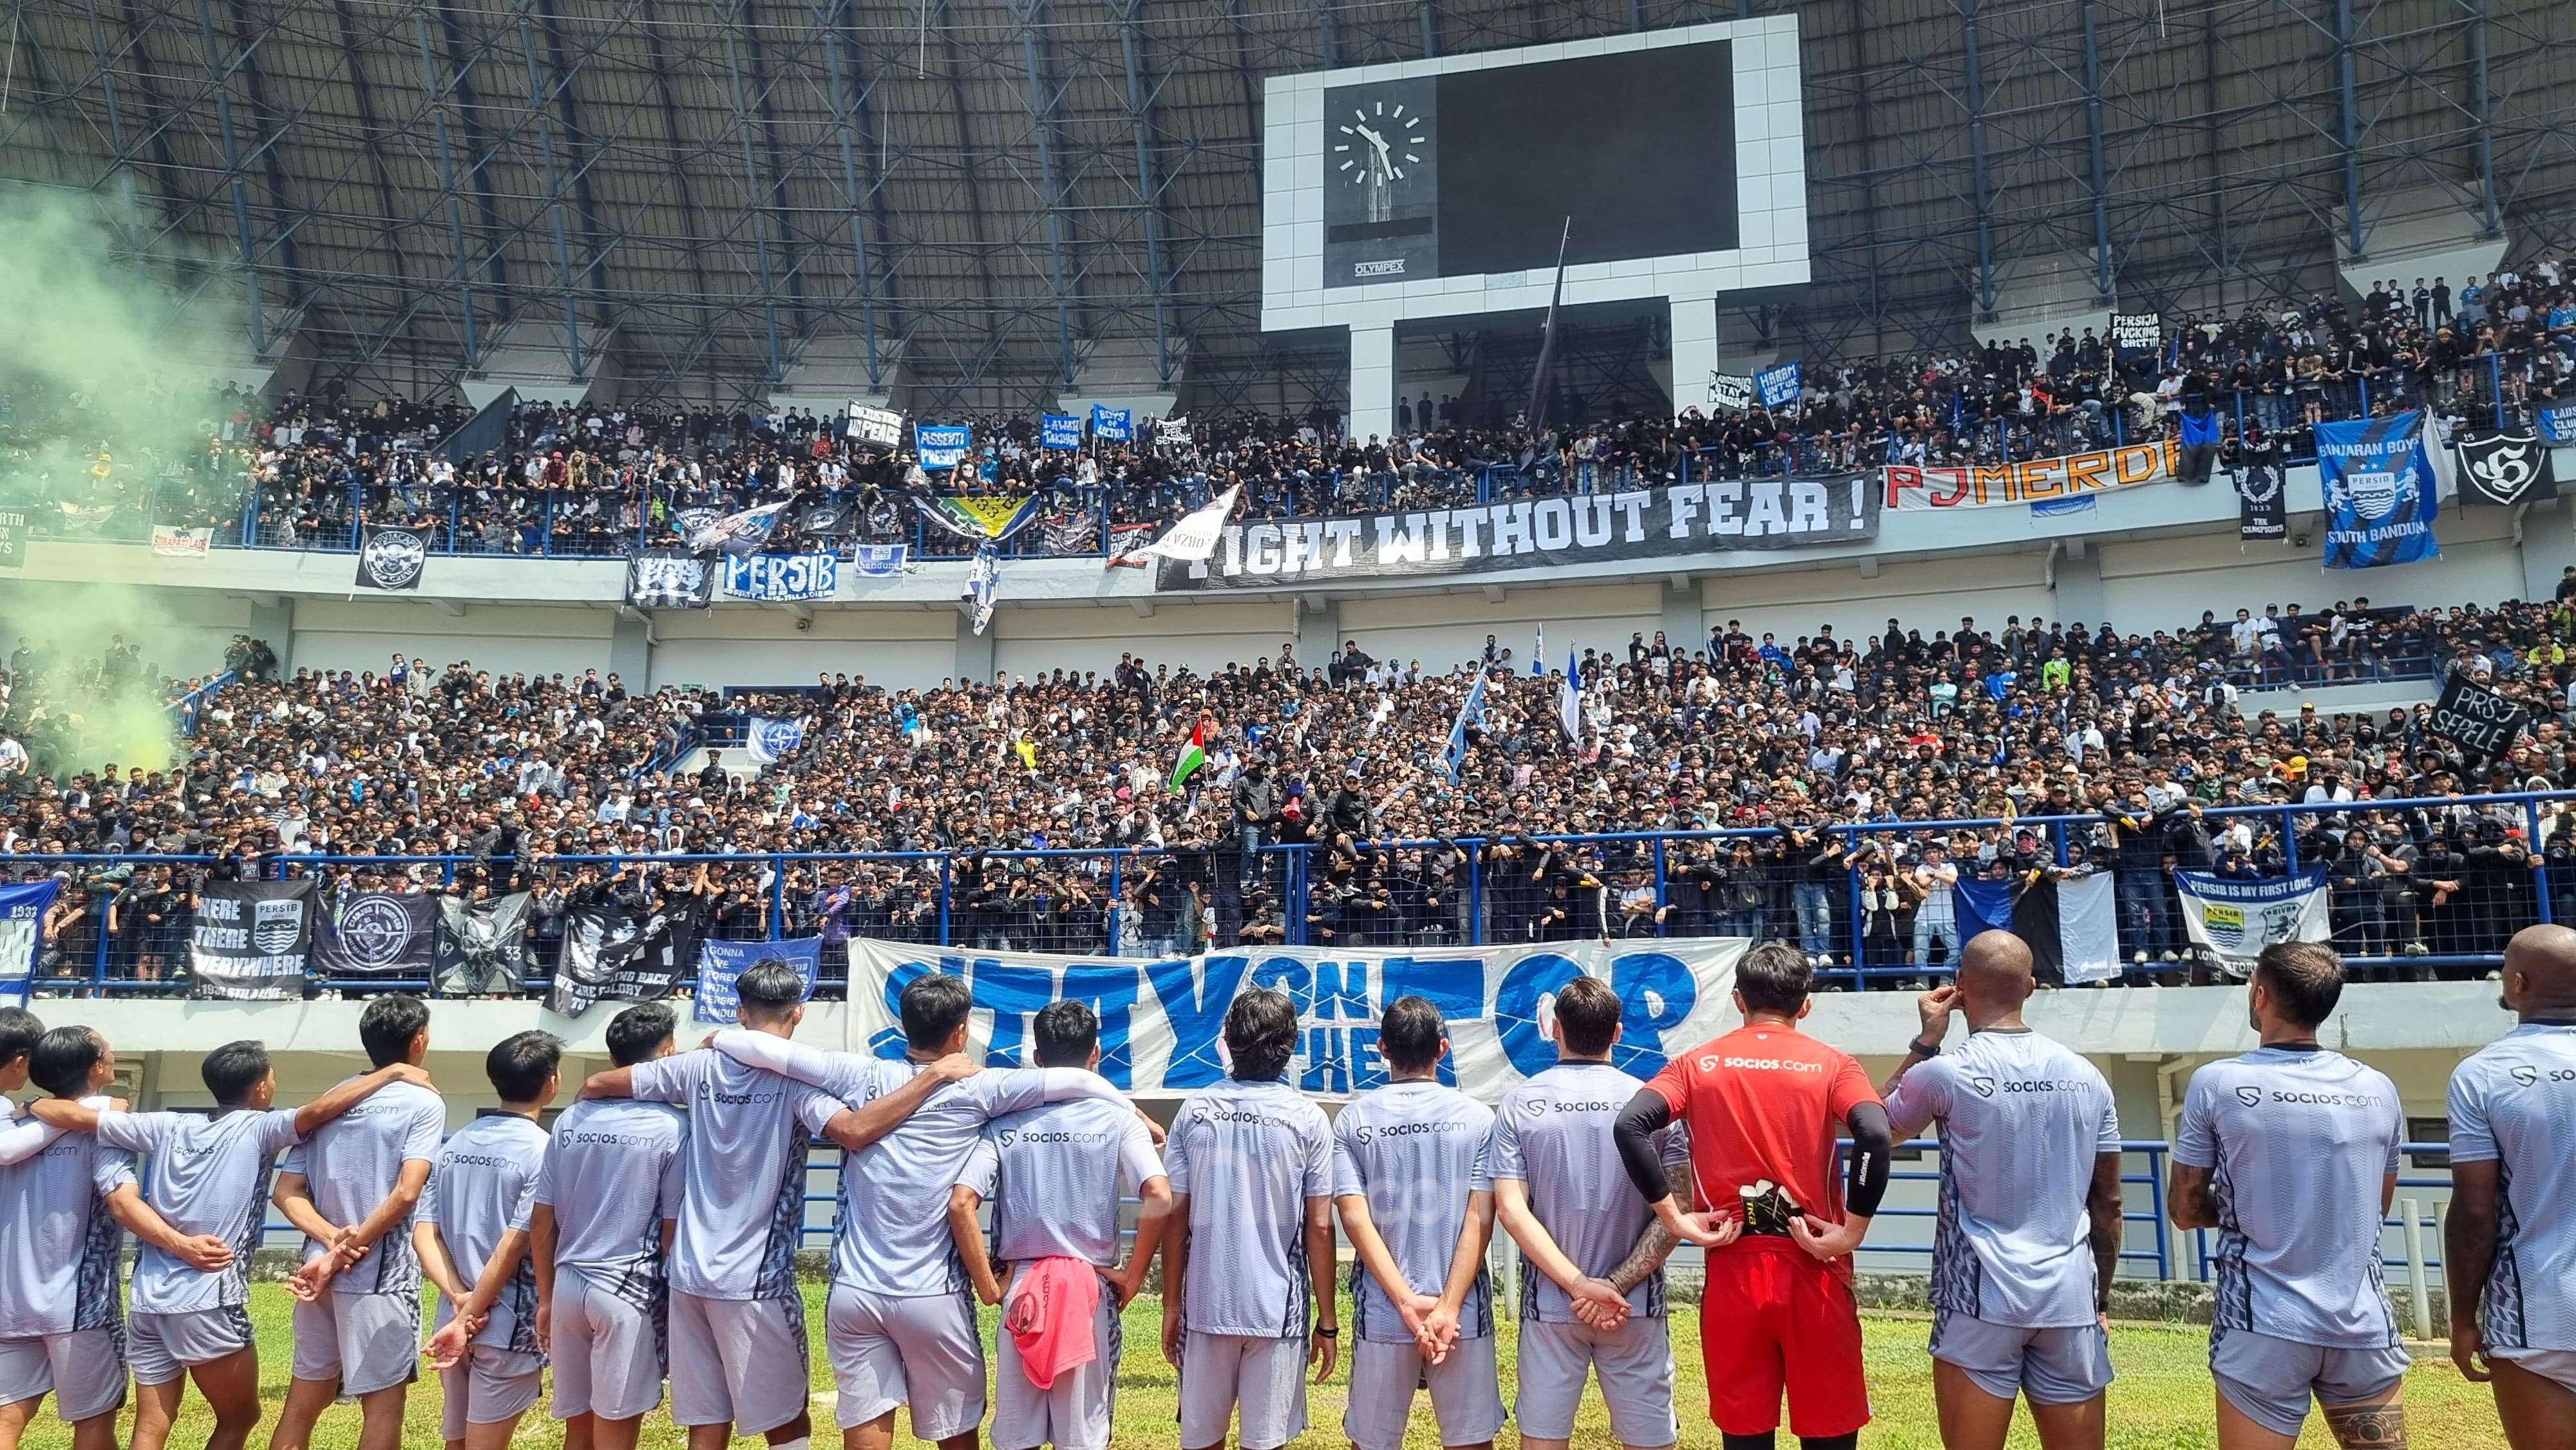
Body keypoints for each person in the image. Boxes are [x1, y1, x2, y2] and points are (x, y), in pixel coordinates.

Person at [696, 972, 1149, 1450]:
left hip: (855, 1290)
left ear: (904, 1025)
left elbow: (774, 1052)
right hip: (934, 1294)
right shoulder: (983, 1087)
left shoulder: (860, 1074)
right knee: (955, 1434)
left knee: (868, 1427)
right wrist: (1129, 1109)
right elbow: (1073, 1079)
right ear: (960, 1033)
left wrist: (723, 1036)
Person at [579, 961, 974, 1450]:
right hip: (755, 1280)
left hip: (687, 1274)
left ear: (740, 1013)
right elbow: (855, 1131)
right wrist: (933, 1077)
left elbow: (598, 1085)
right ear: (800, 1013)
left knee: (707, 1420)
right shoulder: (795, 1084)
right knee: (786, 1422)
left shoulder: (694, 1066)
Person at [18, 1040, 430, 1450]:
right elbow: (320, 1111)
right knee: (241, 1418)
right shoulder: (261, 1127)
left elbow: (68, 1114)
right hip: (210, 1297)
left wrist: (35, 1104)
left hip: (146, 1300)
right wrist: (391, 1072)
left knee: (150, 1425)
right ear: (261, 1089)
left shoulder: (166, 1124)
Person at [1613, 941, 1894, 1450]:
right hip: (1816, 1266)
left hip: (1734, 1268)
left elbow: (1631, 1125)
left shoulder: (1696, 1064)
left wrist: (1675, 1220)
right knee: (1830, 1436)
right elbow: (1874, 1133)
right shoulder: (1834, 1064)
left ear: (1739, 999)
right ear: (1805, 1005)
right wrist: (1853, 1230)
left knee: (1745, 1438)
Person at [1880, 931, 2126, 1450]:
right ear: (2031, 987)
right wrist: (2099, 1299)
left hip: (1978, 1303)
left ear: (1960, 988)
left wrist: (1925, 1041)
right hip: (2069, 1301)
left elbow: (1873, 1126)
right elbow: (2109, 1204)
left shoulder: (1944, 1071)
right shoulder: (2088, 1077)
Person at [2168, 941, 2409, 1450]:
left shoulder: (2217, 1083)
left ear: (2259, 997)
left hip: (2264, 1326)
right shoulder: (2379, 1088)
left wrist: (2256, 1209)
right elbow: (2376, 1208)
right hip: (2363, 1323)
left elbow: (2185, 1209)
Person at [455, 1004, 686, 1450]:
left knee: (577, 1428)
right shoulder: (673, 1126)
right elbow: (670, 1233)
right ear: (669, 1053)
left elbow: (542, 1222)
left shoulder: (571, 1120)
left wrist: (546, 1299)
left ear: (614, 1060)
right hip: (626, 1292)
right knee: (616, 1430)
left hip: (568, 1290)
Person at [946, 1000, 1173, 1450]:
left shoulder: (1005, 1122)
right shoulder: (1119, 1119)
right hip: (1087, 1290)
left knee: (1016, 1437)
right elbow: (1160, 1194)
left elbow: (961, 1204)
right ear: (1096, 1056)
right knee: (1083, 1439)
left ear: (1037, 1060)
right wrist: (1133, 1276)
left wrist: (990, 1287)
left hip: (1022, 1289)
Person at [1488, 975, 1688, 1450]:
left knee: (1543, 1440)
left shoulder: (1520, 1104)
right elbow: (1679, 1209)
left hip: (1554, 1303)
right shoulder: (1654, 1103)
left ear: (1554, 1028)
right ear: (1618, 1033)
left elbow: (1512, 1212)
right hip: (1634, 1304)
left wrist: (1580, 1286)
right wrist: (1614, 1286)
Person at [0, 1024, 214, 1450]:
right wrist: (181, 1244)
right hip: (80, 1304)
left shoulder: (14, 1124)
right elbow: (121, 1203)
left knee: (6, 1419)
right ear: (98, 1067)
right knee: (94, 1423)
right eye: (110, 1052)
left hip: (10, 1299)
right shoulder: (106, 1130)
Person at [1159, 988, 1336, 1450]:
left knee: (1201, 1440)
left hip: (1206, 1305)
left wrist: (1172, 1305)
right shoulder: (1309, 1119)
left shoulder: (1194, 1112)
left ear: (1228, 1040)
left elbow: (1174, 1218)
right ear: (1291, 1045)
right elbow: (1319, 1226)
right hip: (1277, 1311)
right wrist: (1328, 1320)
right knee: (1266, 1442)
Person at [269, 995, 448, 1450]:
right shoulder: (422, 1101)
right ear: (419, 1040)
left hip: (317, 1272)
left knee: (301, 1404)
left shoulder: (332, 1101)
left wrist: (330, 1248)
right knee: (383, 1408)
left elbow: (286, 1192)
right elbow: (408, 1192)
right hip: (379, 1276)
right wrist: (346, 1251)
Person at [1330, 996, 1503, 1450]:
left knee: (1373, 1441)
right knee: (1470, 1441)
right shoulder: (1479, 1119)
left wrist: (1406, 1302)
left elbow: (1354, 1217)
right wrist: (1446, 1306)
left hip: (1385, 1307)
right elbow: (1480, 1217)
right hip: (1461, 1309)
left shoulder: (1353, 1120)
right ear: (1442, 1049)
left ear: (1383, 1048)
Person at [2444, 923, 2576, 1449]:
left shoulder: (2482, 1074)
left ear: (2517, 983)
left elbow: (2475, 1211)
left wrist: (2461, 1318)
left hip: (2536, 1320)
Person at [417, 1031, 562, 1450]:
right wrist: (470, 1314)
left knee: (457, 1442)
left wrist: (459, 1300)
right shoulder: (542, 1151)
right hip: (504, 1323)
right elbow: (513, 1246)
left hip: (453, 1317)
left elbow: (424, 1234)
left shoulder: (457, 1142)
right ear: (552, 1081)